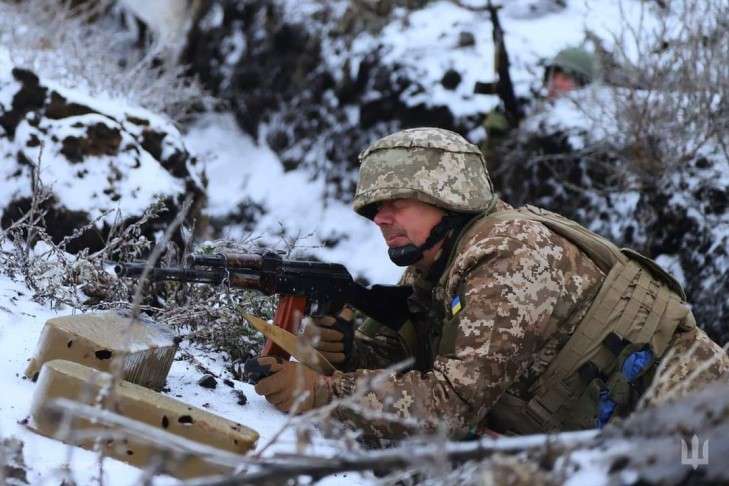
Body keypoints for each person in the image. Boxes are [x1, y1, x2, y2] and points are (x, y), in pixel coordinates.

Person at [247, 127, 729, 441]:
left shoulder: (509, 255)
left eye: (396, 203)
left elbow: (451, 405)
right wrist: (353, 354)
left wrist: (325, 392)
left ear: (449, 199)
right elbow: (428, 362)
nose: (381, 218)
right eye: (374, 209)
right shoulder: (435, 263)